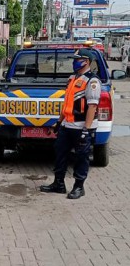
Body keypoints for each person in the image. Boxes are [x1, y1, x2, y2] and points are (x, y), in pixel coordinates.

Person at [40, 48, 102, 199]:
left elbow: (92, 107)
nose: (74, 62)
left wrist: (86, 130)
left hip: (81, 128)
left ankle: (79, 187)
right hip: (67, 125)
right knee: (60, 154)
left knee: (81, 157)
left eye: (77, 59)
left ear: (86, 61)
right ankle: (58, 184)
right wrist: (58, 122)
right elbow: (67, 104)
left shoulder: (92, 81)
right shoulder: (73, 78)